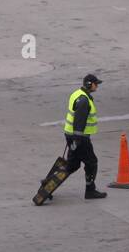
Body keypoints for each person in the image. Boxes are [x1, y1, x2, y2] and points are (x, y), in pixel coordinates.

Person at [35, 74, 108, 203]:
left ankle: (47, 183)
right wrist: (77, 141)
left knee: (72, 165)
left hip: (72, 135)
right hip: (80, 138)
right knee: (92, 163)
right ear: (89, 84)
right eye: (96, 84)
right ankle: (90, 190)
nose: (97, 86)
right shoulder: (84, 101)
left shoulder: (77, 94)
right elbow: (79, 122)